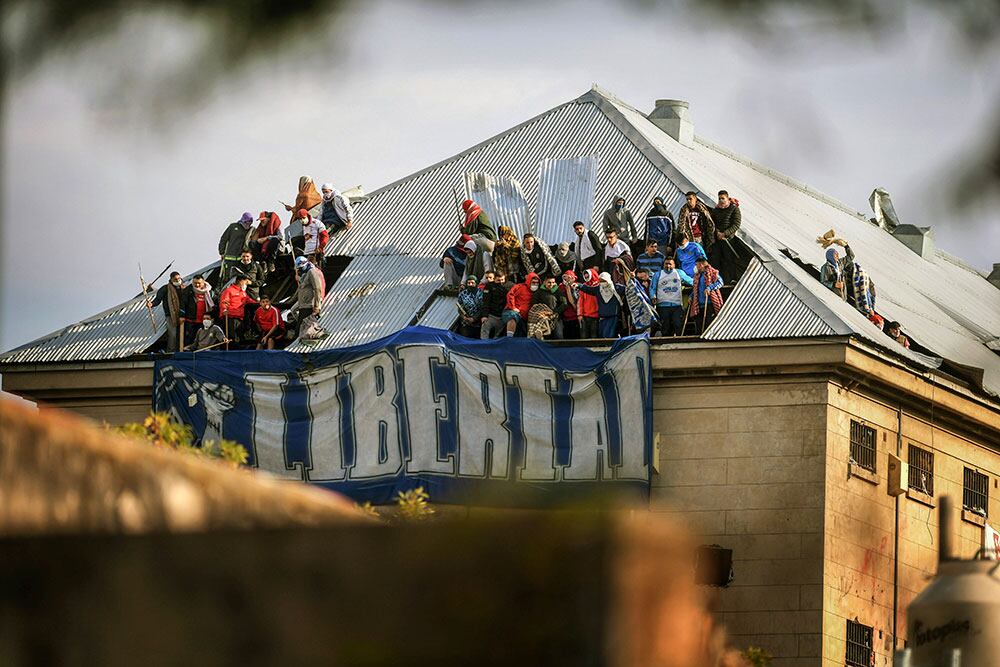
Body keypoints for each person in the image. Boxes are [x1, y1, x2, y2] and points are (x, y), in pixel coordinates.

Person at [650, 256, 693, 336]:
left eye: (670, 264)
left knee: (678, 325)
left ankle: (679, 343)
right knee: (665, 327)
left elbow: (692, 282)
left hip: (676, 305)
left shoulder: (679, 273)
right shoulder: (657, 274)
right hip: (662, 305)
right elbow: (652, 287)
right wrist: (653, 296)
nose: (668, 266)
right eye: (666, 264)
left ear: (674, 265)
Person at [577, 271, 625, 339]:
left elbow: (628, 289)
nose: (602, 282)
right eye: (601, 280)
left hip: (613, 316)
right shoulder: (598, 289)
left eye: (604, 280)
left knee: (608, 335)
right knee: (601, 335)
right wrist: (578, 285)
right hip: (602, 316)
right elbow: (588, 289)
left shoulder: (617, 288)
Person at [148, 271, 186, 353]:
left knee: (183, 334)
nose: (178, 281)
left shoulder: (184, 288)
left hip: (183, 315)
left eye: (179, 279)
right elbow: (157, 300)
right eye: (176, 279)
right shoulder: (165, 289)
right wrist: (151, 304)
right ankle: (171, 352)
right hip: (171, 316)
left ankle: (181, 351)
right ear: (171, 279)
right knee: (173, 335)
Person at [709, 191, 742, 283]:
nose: (721, 200)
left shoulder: (734, 209)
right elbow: (712, 224)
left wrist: (725, 234)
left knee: (729, 260)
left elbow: (736, 224)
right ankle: (715, 279)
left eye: (723, 198)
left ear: (727, 198)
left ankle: (731, 279)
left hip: (729, 239)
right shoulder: (716, 210)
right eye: (719, 198)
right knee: (715, 259)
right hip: (717, 239)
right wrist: (717, 232)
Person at [689, 257, 724, 333]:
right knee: (699, 324)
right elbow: (696, 288)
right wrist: (691, 296)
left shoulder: (713, 272)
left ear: (701, 265)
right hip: (699, 304)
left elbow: (720, 283)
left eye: (696, 265)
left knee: (709, 323)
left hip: (709, 303)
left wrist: (709, 288)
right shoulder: (698, 275)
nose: (696, 267)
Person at [219, 276, 257, 345]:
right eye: (245, 282)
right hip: (229, 316)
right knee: (231, 336)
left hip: (239, 317)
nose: (246, 284)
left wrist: (259, 304)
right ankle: (231, 350)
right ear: (240, 281)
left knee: (240, 334)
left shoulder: (243, 292)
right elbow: (224, 301)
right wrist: (224, 310)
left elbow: (249, 300)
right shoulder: (229, 290)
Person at [290, 256, 326, 331]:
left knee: (303, 327)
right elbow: (304, 285)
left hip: (310, 302)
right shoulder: (305, 274)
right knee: (293, 311)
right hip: (304, 303)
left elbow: (318, 288)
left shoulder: (313, 272)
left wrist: (317, 306)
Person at [528, 275, 568, 340]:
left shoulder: (558, 291)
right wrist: (542, 312)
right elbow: (534, 305)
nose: (551, 284)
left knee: (559, 336)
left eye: (553, 282)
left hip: (556, 317)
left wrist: (555, 312)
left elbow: (564, 304)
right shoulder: (539, 292)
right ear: (544, 282)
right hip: (542, 317)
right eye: (549, 282)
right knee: (543, 336)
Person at [181, 274, 214, 348]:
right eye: (195, 283)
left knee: (203, 338)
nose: (197, 285)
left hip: (204, 320)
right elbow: (183, 303)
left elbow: (213, 304)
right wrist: (181, 315)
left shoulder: (209, 291)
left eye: (199, 283)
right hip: (191, 319)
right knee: (189, 337)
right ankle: (187, 353)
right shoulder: (188, 290)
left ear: (203, 282)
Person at [219, 212, 254, 280]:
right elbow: (224, 239)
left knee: (238, 278)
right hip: (229, 258)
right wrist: (221, 252)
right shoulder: (233, 226)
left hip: (241, 260)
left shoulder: (250, 230)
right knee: (227, 277)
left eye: (250, 222)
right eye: (246, 222)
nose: (248, 224)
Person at [502, 272, 538, 337]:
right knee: (513, 316)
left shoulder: (537, 292)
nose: (535, 284)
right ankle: (509, 338)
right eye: (533, 282)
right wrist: (513, 307)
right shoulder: (520, 287)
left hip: (525, 317)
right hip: (512, 312)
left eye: (536, 283)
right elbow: (510, 295)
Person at [480, 271, 508, 339]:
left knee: (497, 336)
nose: (501, 282)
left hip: (501, 316)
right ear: (495, 279)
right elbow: (485, 301)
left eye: (502, 280)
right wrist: (484, 315)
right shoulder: (489, 286)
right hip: (490, 315)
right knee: (484, 333)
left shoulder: (507, 287)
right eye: (498, 280)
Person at [576, 268, 601, 338]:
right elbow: (580, 301)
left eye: (588, 276)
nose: (586, 278)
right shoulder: (583, 286)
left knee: (594, 335)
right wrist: (579, 314)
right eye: (585, 277)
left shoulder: (599, 285)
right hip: (585, 315)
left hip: (596, 316)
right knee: (584, 336)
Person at [559, 270, 580, 339]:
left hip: (575, 316)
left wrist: (569, 288)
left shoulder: (576, 286)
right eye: (565, 277)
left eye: (569, 277)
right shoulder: (561, 286)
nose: (567, 279)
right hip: (565, 316)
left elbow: (575, 301)